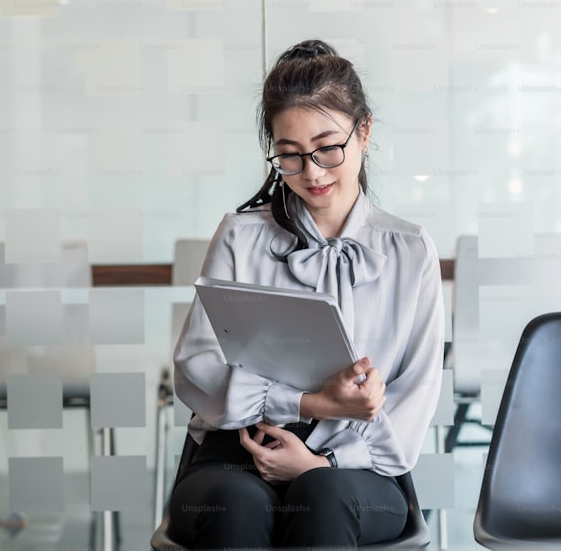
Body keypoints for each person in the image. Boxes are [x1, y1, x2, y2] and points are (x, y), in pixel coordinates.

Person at [167, 39, 445, 549]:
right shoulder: (240, 235)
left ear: (364, 131)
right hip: (237, 454)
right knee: (235, 502)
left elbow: (416, 392)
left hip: (359, 466)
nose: (312, 173)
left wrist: (321, 462)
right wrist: (310, 401)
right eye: (290, 156)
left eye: (327, 148)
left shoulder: (409, 250)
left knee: (323, 492)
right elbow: (195, 367)